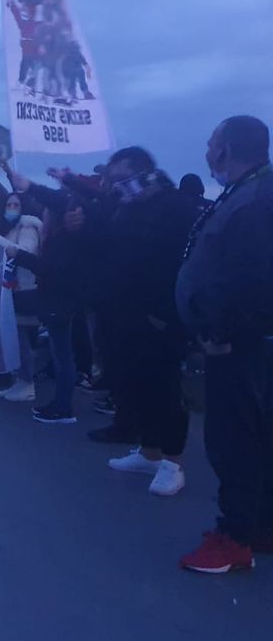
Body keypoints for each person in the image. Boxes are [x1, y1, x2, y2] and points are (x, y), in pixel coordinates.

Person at [177, 115, 273, 573]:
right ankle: (257, 526)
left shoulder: (257, 200)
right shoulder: (247, 192)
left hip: (238, 347)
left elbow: (255, 281)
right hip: (240, 342)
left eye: (212, 142)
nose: (207, 150)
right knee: (252, 438)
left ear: (228, 149)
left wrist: (221, 333)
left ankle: (234, 539)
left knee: (234, 442)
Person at [90, 147, 200, 495]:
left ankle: (172, 462)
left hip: (161, 315)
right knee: (134, 382)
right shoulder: (126, 206)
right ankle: (149, 452)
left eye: (121, 179)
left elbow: (182, 264)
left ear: (142, 173)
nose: (115, 186)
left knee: (163, 388)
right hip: (125, 310)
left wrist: (166, 313)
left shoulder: (175, 205)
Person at [0, 193, 43, 402]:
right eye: (8, 204)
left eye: (15, 204)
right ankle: (22, 380)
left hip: (25, 289)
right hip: (13, 290)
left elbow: (25, 252)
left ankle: (27, 383)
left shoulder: (27, 227)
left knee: (23, 339)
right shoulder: (11, 228)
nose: (11, 208)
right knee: (17, 338)